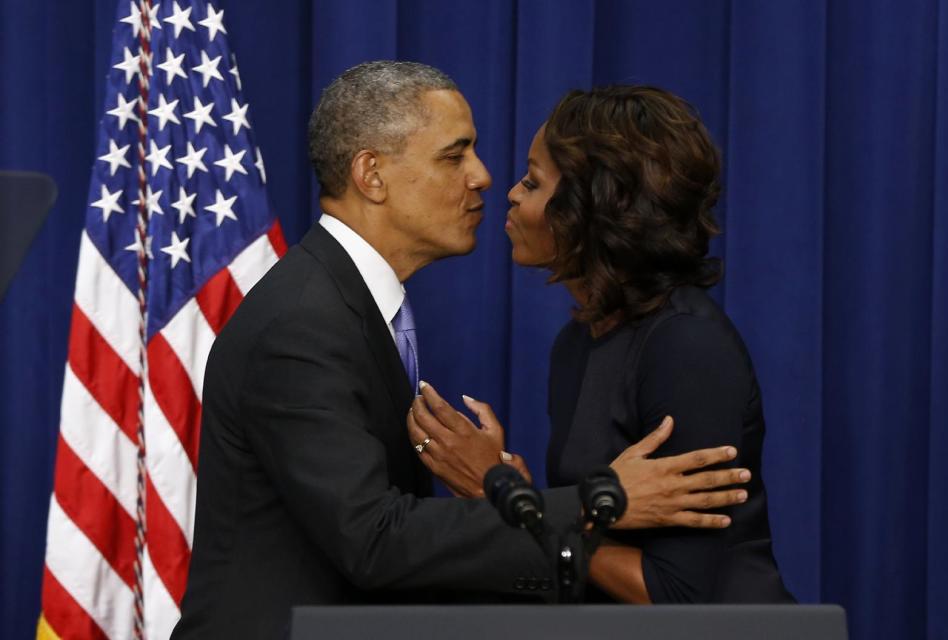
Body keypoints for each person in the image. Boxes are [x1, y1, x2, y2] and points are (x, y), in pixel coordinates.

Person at [173, 64, 753, 638]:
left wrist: (507, 496)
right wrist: (595, 502)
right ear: (371, 175)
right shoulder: (303, 322)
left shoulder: (350, 305)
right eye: (454, 156)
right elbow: (373, 541)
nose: (482, 176)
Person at [409, 85, 795, 604]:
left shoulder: (686, 348)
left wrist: (510, 502)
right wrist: (529, 501)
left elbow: (677, 596)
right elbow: (595, 534)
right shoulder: (577, 342)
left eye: (533, 180)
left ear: (593, 208)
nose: (511, 194)